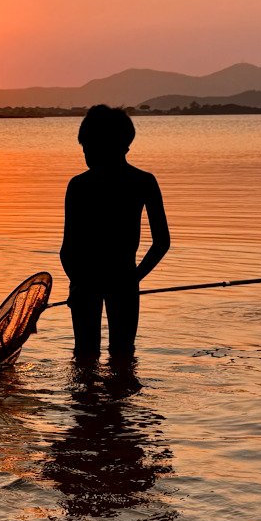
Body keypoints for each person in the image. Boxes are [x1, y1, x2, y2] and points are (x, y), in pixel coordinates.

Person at [60, 105, 169, 360]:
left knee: (85, 356)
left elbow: (68, 248)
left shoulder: (79, 186)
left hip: (91, 280)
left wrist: (77, 283)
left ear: (116, 147)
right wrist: (134, 278)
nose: (85, 153)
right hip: (120, 280)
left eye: (89, 147)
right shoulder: (143, 182)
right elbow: (161, 242)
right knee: (123, 354)